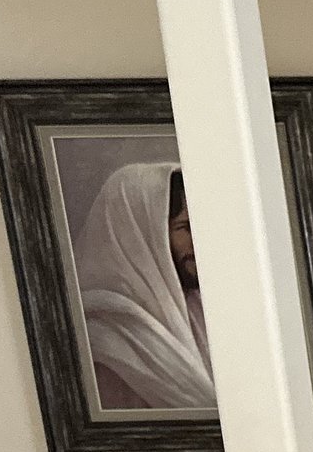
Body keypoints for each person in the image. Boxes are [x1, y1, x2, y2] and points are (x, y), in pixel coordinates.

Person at [73, 160, 216, 412]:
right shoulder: (100, 345)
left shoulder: (202, 310)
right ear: (143, 234)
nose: (202, 241)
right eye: (185, 227)